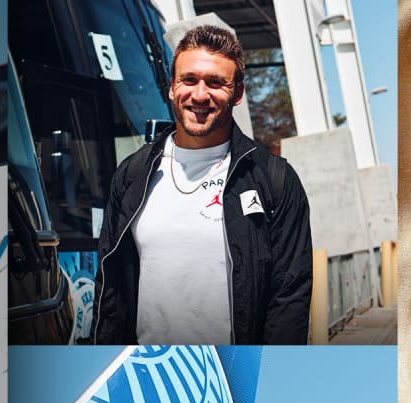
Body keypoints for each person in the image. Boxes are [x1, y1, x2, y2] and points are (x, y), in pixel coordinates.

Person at [93, 24, 311, 344]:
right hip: (146, 373)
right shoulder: (132, 175)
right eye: (189, 80)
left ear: (237, 93)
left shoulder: (274, 180)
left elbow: (289, 299)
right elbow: (110, 290)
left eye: (215, 83)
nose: (199, 94)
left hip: (230, 375)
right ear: (171, 87)